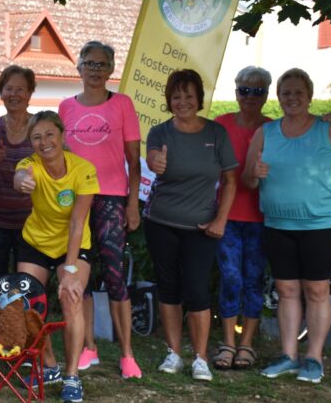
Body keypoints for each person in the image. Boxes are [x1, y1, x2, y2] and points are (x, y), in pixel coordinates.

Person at [242, 68, 331, 383]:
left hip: (318, 222)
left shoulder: (328, 129)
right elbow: (246, 180)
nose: (292, 98)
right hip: (277, 222)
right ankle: (288, 355)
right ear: (279, 96)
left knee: (316, 290)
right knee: (286, 290)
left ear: (309, 96)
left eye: (299, 92)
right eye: (286, 92)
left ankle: (313, 358)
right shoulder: (266, 133)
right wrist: (254, 174)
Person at [144, 69, 237, 382]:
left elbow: (230, 180)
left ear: (199, 98)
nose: (182, 101)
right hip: (161, 222)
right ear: (169, 100)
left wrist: (220, 219)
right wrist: (156, 161)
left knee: (197, 290)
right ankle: (174, 353)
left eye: (188, 95)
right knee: (168, 288)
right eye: (176, 96)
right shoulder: (159, 132)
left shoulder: (215, 134)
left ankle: (200, 358)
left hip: (202, 227)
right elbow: (153, 157)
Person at [58, 41, 142, 378]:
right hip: (78, 200)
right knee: (80, 274)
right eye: (89, 63)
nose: (95, 70)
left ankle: (126, 354)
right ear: (78, 67)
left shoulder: (121, 104)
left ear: (110, 69)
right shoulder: (65, 107)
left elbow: (134, 161)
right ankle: (88, 347)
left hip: (111, 198)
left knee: (115, 275)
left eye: (101, 64)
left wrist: (133, 204)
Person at [13, 111, 98, 403]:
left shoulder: (83, 169)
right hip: (35, 242)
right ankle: (50, 366)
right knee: (28, 305)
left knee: (71, 297)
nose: (44, 141)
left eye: (49, 134)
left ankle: (72, 375)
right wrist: (22, 181)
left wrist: (70, 268)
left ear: (62, 135)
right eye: (36, 137)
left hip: (72, 245)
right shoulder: (30, 164)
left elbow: (78, 223)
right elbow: (21, 176)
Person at [211, 66, 272, 370]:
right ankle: (227, 342)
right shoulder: (219, 126)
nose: (250, 96)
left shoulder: (274, 129)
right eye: (244, 90)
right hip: (228, 215)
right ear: (235, 92)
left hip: (262, 218)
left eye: (258, 91)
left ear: (266, 95)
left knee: (253, 280)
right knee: (231, 278)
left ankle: (246, 344)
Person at [0, 65, 35, 287]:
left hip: (31, 221)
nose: (14, 94)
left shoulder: (40, 126)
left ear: (30, 93)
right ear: (1, 92)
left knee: (27, 284)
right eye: (9, 88)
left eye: (20, 89)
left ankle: (26, 321)